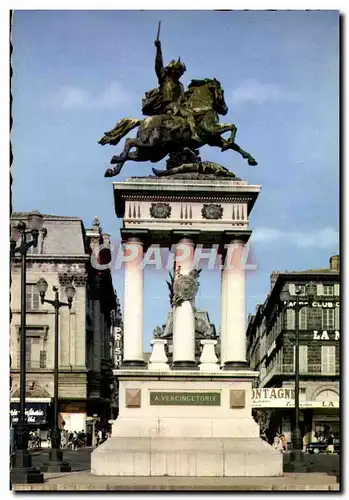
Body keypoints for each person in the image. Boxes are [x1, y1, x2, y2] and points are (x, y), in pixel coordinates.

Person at [142, 39, 199, 141]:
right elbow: (158, 65)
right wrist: (159, 49)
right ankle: (194, 135)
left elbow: (183, 100)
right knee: (189, 115)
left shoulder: (180, 86)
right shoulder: (164, 79)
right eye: (179, 71)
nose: (180, 74)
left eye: (181, 72)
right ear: (172, 70)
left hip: (177, 107)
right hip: (167, 107)